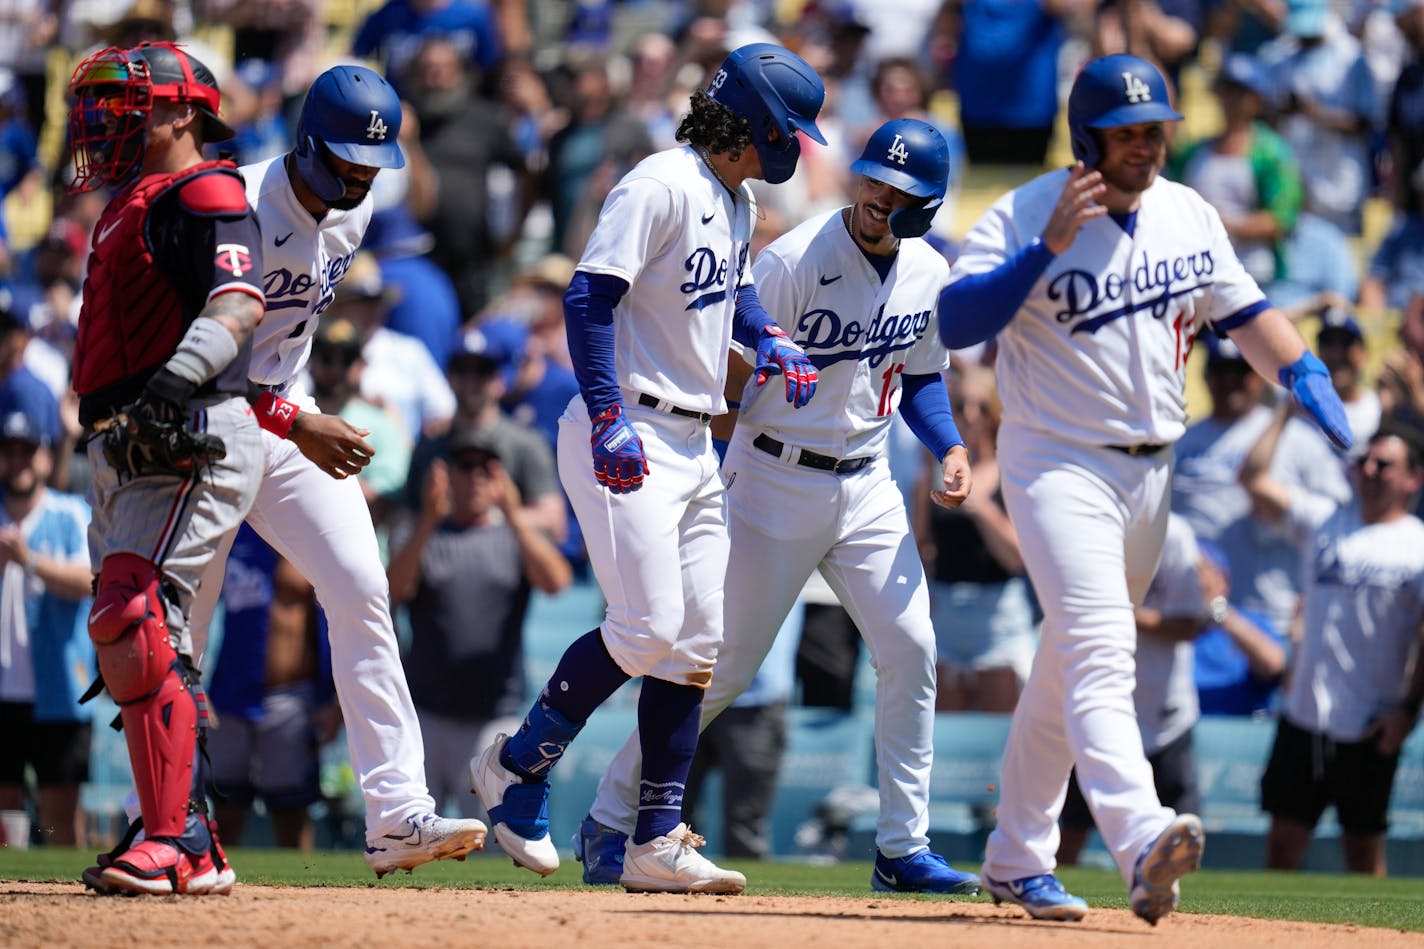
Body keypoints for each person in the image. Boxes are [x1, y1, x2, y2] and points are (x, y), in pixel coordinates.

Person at [937, 53, 1353, 924]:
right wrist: (1043, 250)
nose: (1145, 147)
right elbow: (958, 321)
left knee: (1065, 666)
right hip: (1057, 461)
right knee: (1097, 648)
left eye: (1155, 130)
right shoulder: (1023, 211)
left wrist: (1304, 371)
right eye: (1127, 133)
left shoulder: (1186, 208)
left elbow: (1244, 312)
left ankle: (1016, 855)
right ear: (1086, 137)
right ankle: (1141, 835)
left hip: (1152, 470)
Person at [575, 118, 981, 896]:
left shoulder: (929, 270)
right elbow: (723, 367)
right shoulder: (793, 260)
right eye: (871, 179)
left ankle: (902, 846)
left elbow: (922, 375)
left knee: (912, 650)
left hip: (867, 484)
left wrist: (950, 447)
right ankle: (611, 813)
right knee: (718, 671)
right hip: (772, 477)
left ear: (927, 203)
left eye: (898, 190)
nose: (877, 196)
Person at [469, 42, 826, 894]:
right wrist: (605, 419)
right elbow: (589, 296)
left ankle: (652, 838)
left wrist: (765, 334)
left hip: (695, 439)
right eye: (788, 130)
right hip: (627, 424)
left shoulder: (732, 199)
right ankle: (517, 766)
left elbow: (725, 291)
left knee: (696, 645)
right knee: (648, 628)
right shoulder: (659, 182)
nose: (795, 147)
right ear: (754, 122)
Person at [183, 63, 487, 879]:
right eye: (346, 156)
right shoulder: (233, 204)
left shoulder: (350, 220)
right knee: (183, 634)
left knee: (361, 589)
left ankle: (396, 814)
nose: (359, 174)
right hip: (205, 428)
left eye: (371, 162)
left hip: (284, 418)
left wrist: (292, 415)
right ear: (306, 139)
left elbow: (280, 355)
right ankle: (168, 823)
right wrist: (296, 419)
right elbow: (196, 360)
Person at [67, 41, 267, 896]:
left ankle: (177, 838)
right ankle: (190, 836)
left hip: (186, 426)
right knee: (135, 637)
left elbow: (238, 301)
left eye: (127, 102)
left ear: (183, 111)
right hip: (126, 441)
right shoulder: (127, 203)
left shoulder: (206, 188)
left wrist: (171, 388)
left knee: (137, 619)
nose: (106, 119)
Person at [1241, 409, 1424, 876]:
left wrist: (1408, 710)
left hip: (1369, 722)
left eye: (1385, 465)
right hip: (1305, 715)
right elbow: (1254, 477)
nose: (1369, 470)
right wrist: (1284, 412)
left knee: (1364, 853)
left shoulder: (1416, 545)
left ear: (1413, 479)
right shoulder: (1324, 520)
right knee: (1282, 844)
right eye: (1365, 460)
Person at [387, 427, 572, 820]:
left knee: (494, 836)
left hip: (494, 713)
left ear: (500, 478)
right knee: (410, 829)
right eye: (464, 466)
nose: (473, 477)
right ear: (447, 474)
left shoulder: (515, 536)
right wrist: (428, 520)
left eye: (485, 468)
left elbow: (556, 581)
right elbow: (395, 589)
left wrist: (514, 513)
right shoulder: (423, 532)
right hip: (427, 714)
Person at [1058, 513, 1206, 866]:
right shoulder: (1085, 520)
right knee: (1068, 837)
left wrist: (1115, 610)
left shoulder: (1176, 532)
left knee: (1180, 846)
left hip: (1164, 714)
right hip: (1097, 705)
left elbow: (1190, 622)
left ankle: (1186, 917)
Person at [205, 525, 337, 850]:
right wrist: (195, 681)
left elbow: (338, 623)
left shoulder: (309, 538)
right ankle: (215, 887)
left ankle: (302, 893)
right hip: (230, 693)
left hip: (291, 698)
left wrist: (333, 701)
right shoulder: (233, 536)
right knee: (225, 807)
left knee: (291, 810)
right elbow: (198, 608)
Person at [0, 409, 93, 848]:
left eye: (26, 451)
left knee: (59, 814)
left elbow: (89, 581)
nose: (17, 461)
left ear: (43, 457)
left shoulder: (69, 512)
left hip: (60, 687)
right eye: (8, 451)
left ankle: (65, 905)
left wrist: (29, 561)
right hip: (5, 688)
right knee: (6, 811)